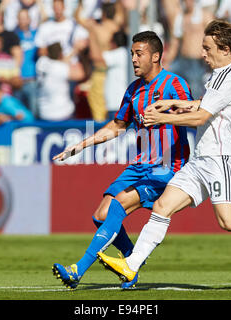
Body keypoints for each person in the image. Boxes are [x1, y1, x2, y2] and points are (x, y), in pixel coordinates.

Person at [97, 20, 231, 285]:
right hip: (200, 160)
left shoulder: (230, 77)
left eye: (207, 48)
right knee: (163, 206)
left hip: (219, 159)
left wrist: (163, 117)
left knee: (230, 222)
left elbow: (200, 118)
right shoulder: (219, 75)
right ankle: (131, 265)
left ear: (225, 49)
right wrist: (175, 102)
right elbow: (205, 104)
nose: (203, 54)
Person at [51, 31, 193, 290]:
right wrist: (81, 146)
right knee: (101, 215)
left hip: (166, 167)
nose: (134, 59)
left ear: (156, 56)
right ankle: (130, 264)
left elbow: (195, 115)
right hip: (139, 165)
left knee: (117, 206)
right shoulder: (134, 90)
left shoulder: (174, 84)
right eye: (132, 54)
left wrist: (168, 116)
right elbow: (117, 125)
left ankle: (77, 270)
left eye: (139, 54)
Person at [163, 0, 214, 99]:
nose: (188, 2)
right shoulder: (180, 17)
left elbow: (213, 37)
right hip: (182, 60)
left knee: (194, 92)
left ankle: (194, 112)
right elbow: (175, 41)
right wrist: (167, 62)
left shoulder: (204, 15)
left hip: (197, 62)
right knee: (166, 81)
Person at [36, 42, 85, 120]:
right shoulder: (60, 68)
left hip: (44, 112)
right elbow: (80, 74)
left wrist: (73, 52)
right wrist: (77, 53)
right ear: (61, 54)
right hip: (62, 113)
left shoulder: (41, 62)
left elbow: (60, 61)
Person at [13, 8, 39, 117]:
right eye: (21, 18)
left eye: (25, 18)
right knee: (19, 113)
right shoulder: (13, 36)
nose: (23, 21)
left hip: (32, 80)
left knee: (34, 112)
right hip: (17, 81)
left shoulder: (37, 34)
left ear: (29, 20)